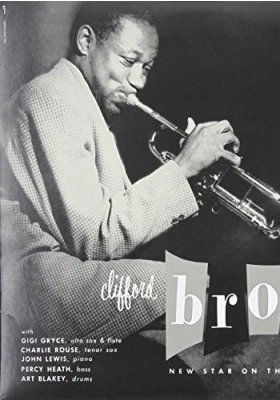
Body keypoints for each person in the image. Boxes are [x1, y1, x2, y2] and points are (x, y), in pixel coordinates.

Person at [0, 2, 240, 397]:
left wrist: (193, 178)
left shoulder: (83, 106)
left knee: (218, 295)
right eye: (129, 61)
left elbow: (114, 230)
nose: (138, 81)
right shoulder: (50, 96)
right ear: (86, 41)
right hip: (39, 284)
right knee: (210, 300)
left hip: (69, 275)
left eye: (146, 67)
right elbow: (97, 238)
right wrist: (181, 168)